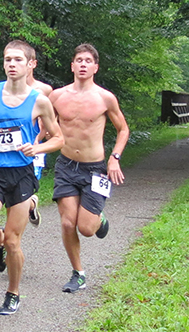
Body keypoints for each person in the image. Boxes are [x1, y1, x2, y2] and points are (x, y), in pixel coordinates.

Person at [0, 40, 64, 315]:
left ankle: (13, 293)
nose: (11, 64)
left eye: (18, 60)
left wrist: (38, 147)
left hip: (21, 175)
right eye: (8, 59)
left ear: (31, 64)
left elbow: (59, 138)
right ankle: (0, 243)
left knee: (14, 241)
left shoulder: (40, 101)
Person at [49, 43, 130, 293]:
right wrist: (35, 144)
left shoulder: (105, 98)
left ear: (95, 67)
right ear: (72, 65)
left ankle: (98, 218)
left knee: (86, 228)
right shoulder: (57, 96)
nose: (83, 64)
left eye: (88, 61)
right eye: (79, 60)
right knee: (66, 223)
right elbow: (47, 125)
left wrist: (114, 157)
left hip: (95, 169)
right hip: (65, 165)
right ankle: (78, 273)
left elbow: (123, 129)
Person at [25, 44, 53, 227]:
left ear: (33, 64)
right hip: (8, 150)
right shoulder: (2, 90)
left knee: (23, 192)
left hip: (34, 149)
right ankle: (31, 204)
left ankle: (29, 202)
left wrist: (40, 138)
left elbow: (48, 122)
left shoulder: (45, 90)